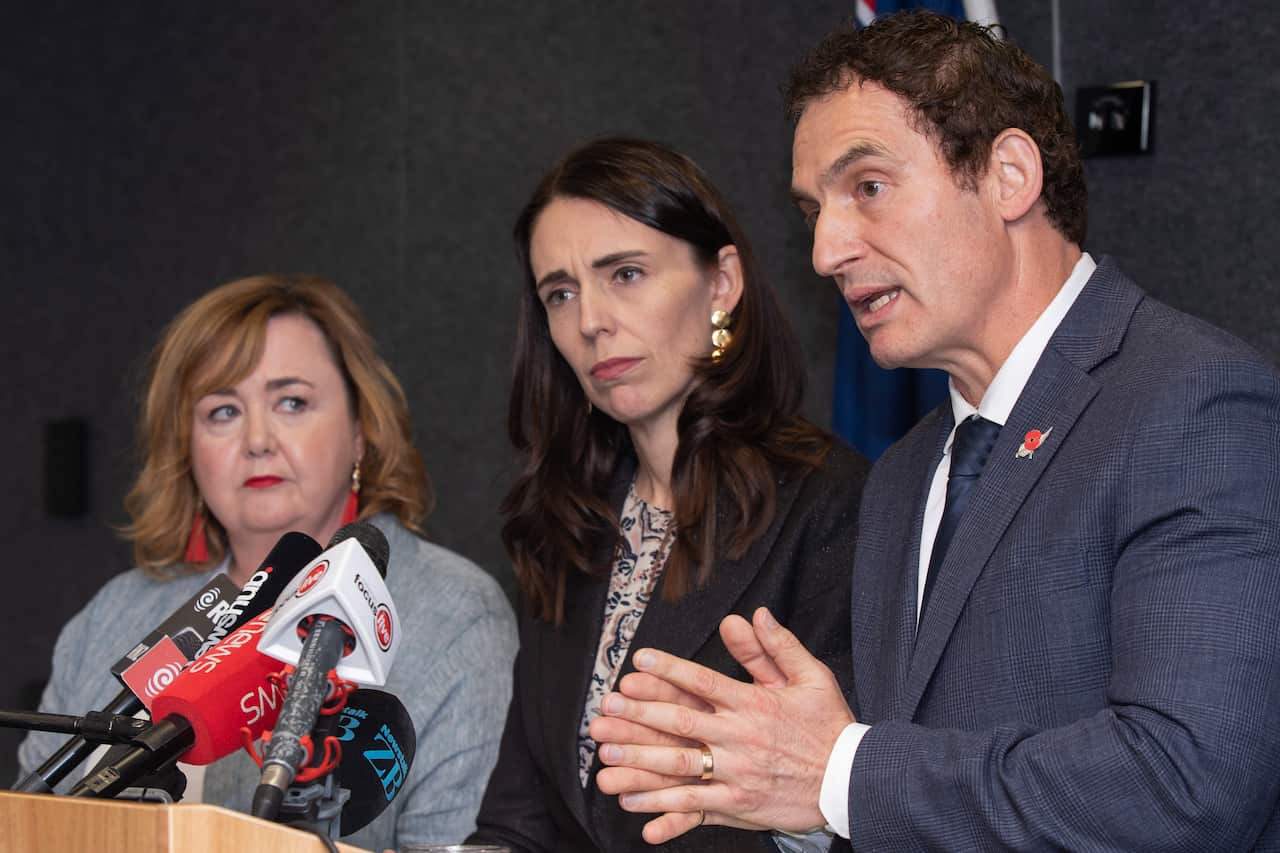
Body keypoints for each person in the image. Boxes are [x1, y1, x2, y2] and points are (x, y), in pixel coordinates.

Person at [591, 12, 1280, 851]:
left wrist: (839, 772)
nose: (826, 249)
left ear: (1009, 174)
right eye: (813, 210)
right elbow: (905, 788)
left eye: (868, 188)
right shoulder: (907, 474)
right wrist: (796, 800)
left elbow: (1188, 785)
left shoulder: (1192, 401)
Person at [17, 275, 518, 851]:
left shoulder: (455, 612)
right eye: (223, 411)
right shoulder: (116, 611)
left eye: (291, 402)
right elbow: (33, 822)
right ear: (187, 450)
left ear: (360, 432)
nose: (257, 438)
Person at [465, 137, 868, 853]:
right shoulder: (566, 518)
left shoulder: (829, 501)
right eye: (560, 292)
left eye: (624, 273)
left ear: (721, 283)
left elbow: (845, 814)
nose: (590, 320)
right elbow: (519, 821)